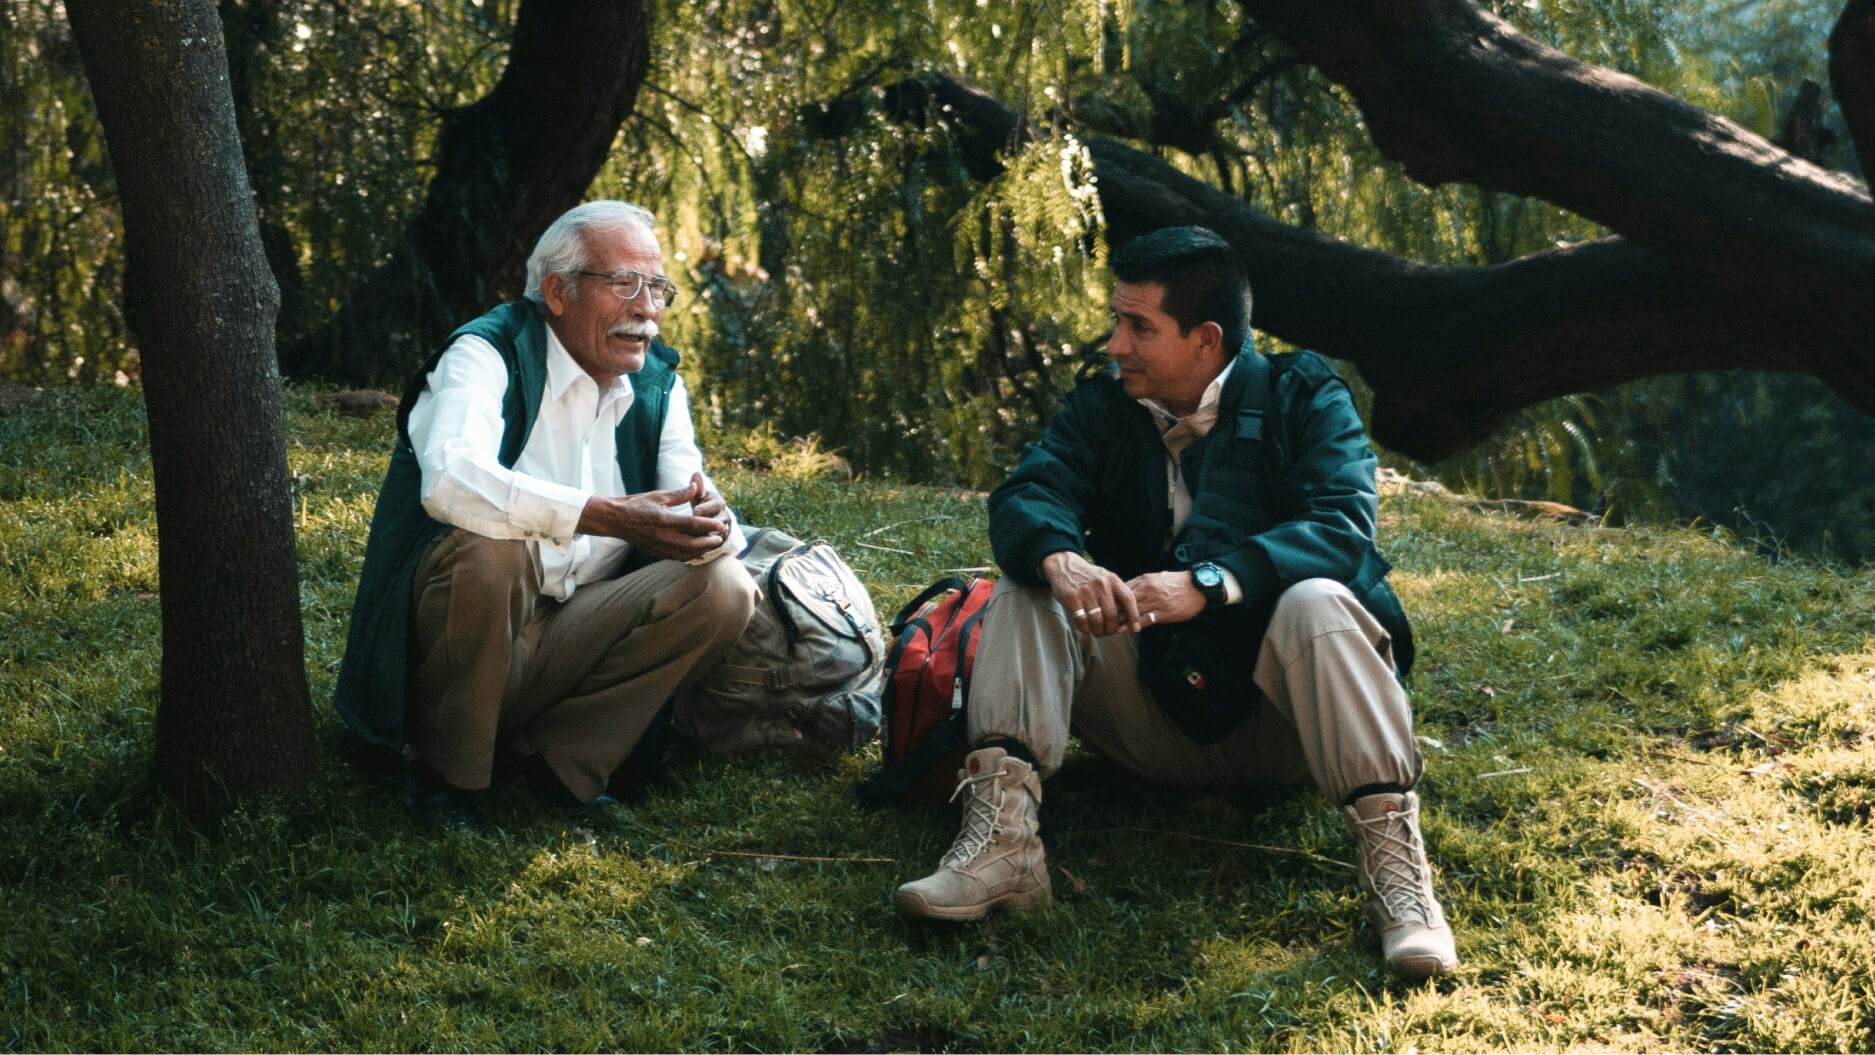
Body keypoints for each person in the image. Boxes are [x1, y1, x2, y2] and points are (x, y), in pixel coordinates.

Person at [892, 226, 1458, 982]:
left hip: (1290, 725)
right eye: (1116, 321)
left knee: (1317, 597)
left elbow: (1340, 527)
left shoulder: (1305, 393)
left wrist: (1205, 584)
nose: (1114, 344)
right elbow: (1030, 491)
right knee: (1029, 584)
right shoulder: (1103, 406)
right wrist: (1062, 558)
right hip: (1147, 716)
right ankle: (1001, 847)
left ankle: (1399, 884)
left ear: (1205, 339)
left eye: (1138, 326)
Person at [334, 200, 756, 828]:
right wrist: (605, 515)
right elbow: (451, 482)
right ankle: (447, 776)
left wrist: (712, 525)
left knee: (723, 587)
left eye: (658, 288)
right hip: (455, 643)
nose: (647, 309)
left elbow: (689, 496)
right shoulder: (484, 354)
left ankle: (558, 767)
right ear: (557, 292)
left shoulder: (657, 385)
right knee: (494, 547)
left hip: (574, 635)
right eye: (625, 285)